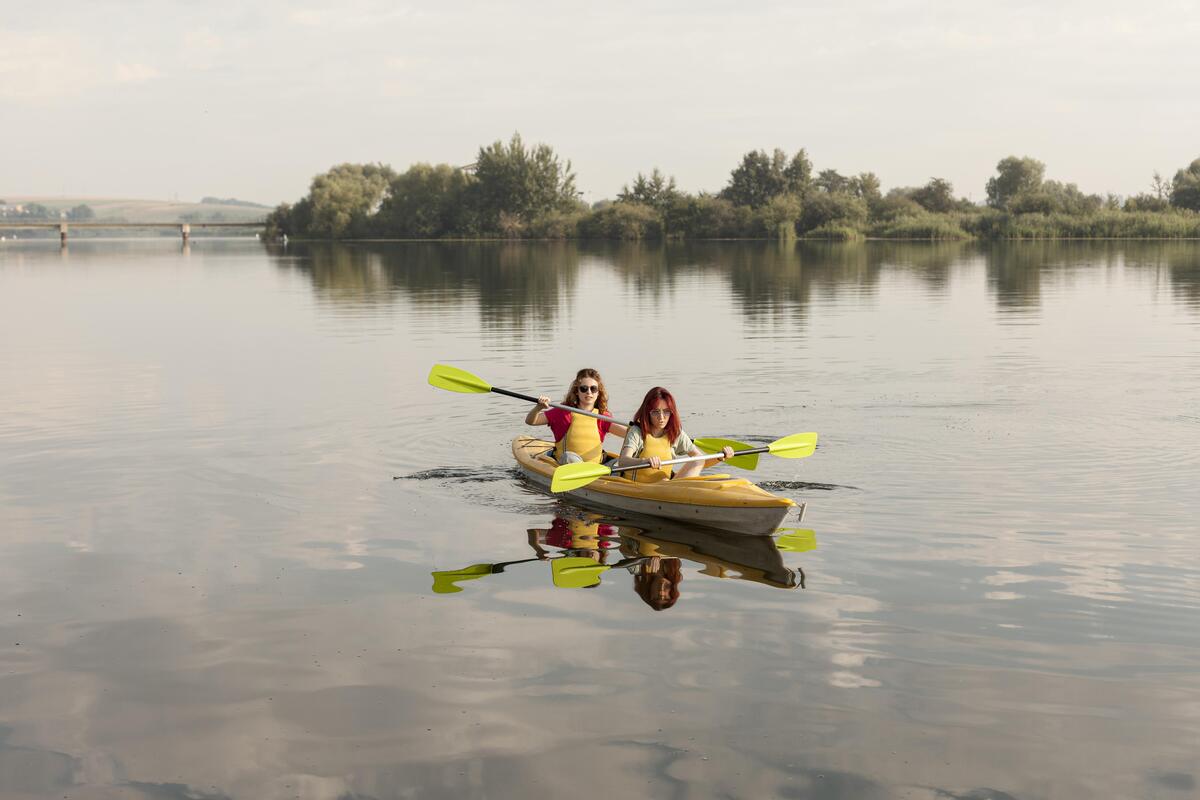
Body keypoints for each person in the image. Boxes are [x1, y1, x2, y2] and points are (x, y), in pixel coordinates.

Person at [616, 386, 733, 482]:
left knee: (697, 459)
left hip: (666, 488)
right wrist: (645, 461)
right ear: (647, 413)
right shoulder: (637, 432)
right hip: (638, 488)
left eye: (666, 412)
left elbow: (702, 461)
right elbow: (623, 461)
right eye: (655, 412)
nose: (661, 417)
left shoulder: (675, 433)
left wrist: (719, 457)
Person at [524, 368, 628, 464]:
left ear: (598, 393)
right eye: (584, 388)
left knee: (622, 462)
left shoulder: (603, 416)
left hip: (595, 469)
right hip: (568, 465)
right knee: (569, 457)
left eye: (593, 389)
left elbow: (628, 434)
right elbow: (531, 421)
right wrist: (538, 408)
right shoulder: (563, 412)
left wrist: (641, 428)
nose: (589, 392)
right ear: (577, 391)